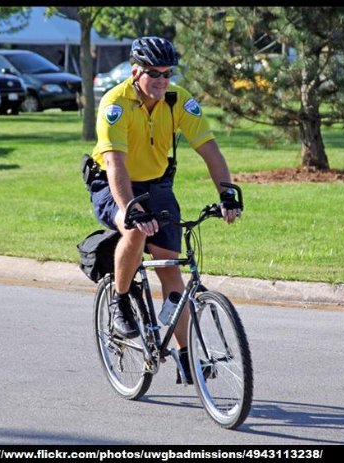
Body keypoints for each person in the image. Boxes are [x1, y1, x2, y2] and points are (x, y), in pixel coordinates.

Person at [88, 36, 241, 384]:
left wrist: (228, 194)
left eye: (167, 72)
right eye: (154, 72)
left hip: (157, 185)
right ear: (135, 71)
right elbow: (115, 164)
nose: (161, 79)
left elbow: (210, 150)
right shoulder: (115, 103)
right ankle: (121, 300)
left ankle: (187, 357)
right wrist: (130, 209)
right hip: (111, 183)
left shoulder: (178, 101)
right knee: (133, 230)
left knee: (172, 269)